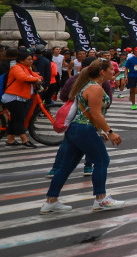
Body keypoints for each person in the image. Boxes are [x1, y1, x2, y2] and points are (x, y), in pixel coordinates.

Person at [41, 58, 125, 213]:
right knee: (102, 161)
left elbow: (90, 113)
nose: (114, 71)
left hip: (76, 129)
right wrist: (110, 132)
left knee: (66, 166)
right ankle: (101, 200)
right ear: (102, 72)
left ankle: (51, 201)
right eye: (112, 69)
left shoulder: (88, 85)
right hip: (85, 129)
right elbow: (96, 114)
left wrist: (99, 130)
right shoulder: (95, 88)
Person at [3, 49, 42, 147]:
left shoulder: (26, 68)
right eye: (29, 59)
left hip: (20, 97)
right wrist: (36, 79)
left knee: (15, 118)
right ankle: (24, 140)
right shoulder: (16, 68)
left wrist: (38, 78)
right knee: (19, 119)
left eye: (32, 59)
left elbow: (38, 77)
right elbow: (22, 78)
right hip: (13, 97)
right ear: (21, 60)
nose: (31, 61)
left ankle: (10, 140)